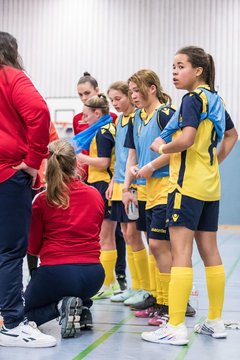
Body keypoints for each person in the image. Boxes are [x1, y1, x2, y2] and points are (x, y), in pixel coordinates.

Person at [141, 46, 238, 345]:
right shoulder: (216, 99)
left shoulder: (192, 100)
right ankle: (215, 321)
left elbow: (186, 139)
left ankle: (176, 326)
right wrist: (213, 164)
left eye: (180, 66)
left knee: (180, 253)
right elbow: (232, 135)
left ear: (198, 70)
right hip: (210, 187)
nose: (174, 71)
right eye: (172, 66)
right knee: (210, 252)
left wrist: (161, 147)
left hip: (185, 187)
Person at [0, 31, 56, 348]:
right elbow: (39, 112)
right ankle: (12, 323)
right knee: (10, 252)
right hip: (8, 174)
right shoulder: (12, 77)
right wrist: (35, 160)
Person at [24, 139, 105, 339]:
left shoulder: (43, 199)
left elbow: (32, 248)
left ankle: (61, 306)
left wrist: (35, 276)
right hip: (94, 276)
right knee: (73, 286)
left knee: (19, 315)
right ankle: (83, 307)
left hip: (57, 273)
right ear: (75, 163)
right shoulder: (95, 195)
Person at [73, 72, 127, 292]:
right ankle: (110, 284)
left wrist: (80, 157)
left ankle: (108, 283)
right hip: (97, 183)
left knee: (107, 236)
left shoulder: (105, 131)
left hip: (104, 184)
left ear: (97, 112)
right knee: (106, 236)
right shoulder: (99, 129)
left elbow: (104, 162)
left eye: (87, 116)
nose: (83, 120)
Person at [106, 81, 149, 305]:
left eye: (119, 98)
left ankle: (144, 288)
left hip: (133, 184)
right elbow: (120, 155)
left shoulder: (136, 118)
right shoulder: (119, 120)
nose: (115, 103)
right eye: (112, 100)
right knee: (125, 235)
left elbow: (135, 155)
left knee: (134, 235)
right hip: (120, 183)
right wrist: (114, 179)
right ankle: (135, 287)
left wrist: (130, 185)